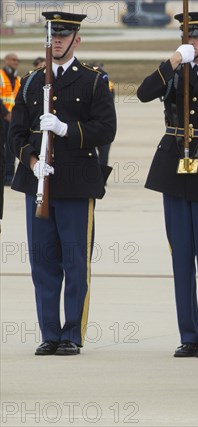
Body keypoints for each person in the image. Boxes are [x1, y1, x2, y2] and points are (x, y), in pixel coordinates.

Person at [9, 11, 117, 356]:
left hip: (75, 182)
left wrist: (66, 129)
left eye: (64, 36)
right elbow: (15, 133)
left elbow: (105, 129)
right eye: (53, 35)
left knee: (74, 260)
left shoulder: (93, 81)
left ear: (77, 40)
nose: (57, 41)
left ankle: (72, 332)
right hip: (38, 182)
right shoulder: (31, 81)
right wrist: (31, 160)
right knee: (43, 262)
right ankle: (49, 332)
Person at [137, 12, 198, 358]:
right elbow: (143, 93)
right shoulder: (172, 70)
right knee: (181, 255)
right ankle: (188, 334)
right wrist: (176, 60)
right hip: (174, 168)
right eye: (187, 36)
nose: (192, 41)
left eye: (197, 37)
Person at [90, 62, 115, 168]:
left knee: (102, 156)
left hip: (101, 124)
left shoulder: (108, 84)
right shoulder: (107, 83)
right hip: (95, 124)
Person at [1, 52, 20, 184]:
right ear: (5, 60)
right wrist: (5, 113)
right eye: (13, 60)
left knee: (11, 147)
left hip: (14, 118)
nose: (15, 62)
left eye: (17, 60)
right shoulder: (1, 76)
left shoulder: (17, 78)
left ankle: (9, 176)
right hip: (2, 116)